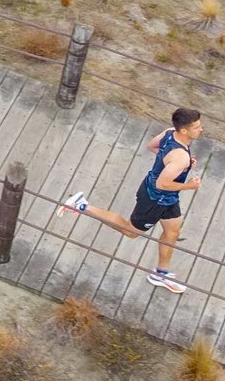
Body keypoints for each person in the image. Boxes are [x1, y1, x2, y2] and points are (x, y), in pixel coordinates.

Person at [59, 107, 205, 294]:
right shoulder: (181, 157)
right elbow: (162, 184)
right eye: (197, 127)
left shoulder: (170, 133)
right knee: (131, 232)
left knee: (173, 231)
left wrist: (177, 166)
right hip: (154, 199)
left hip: (167, 198)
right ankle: (81, 206)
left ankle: (160, 274)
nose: (200, 130)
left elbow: (152, 147)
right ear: (184, 130)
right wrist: (189, 185)